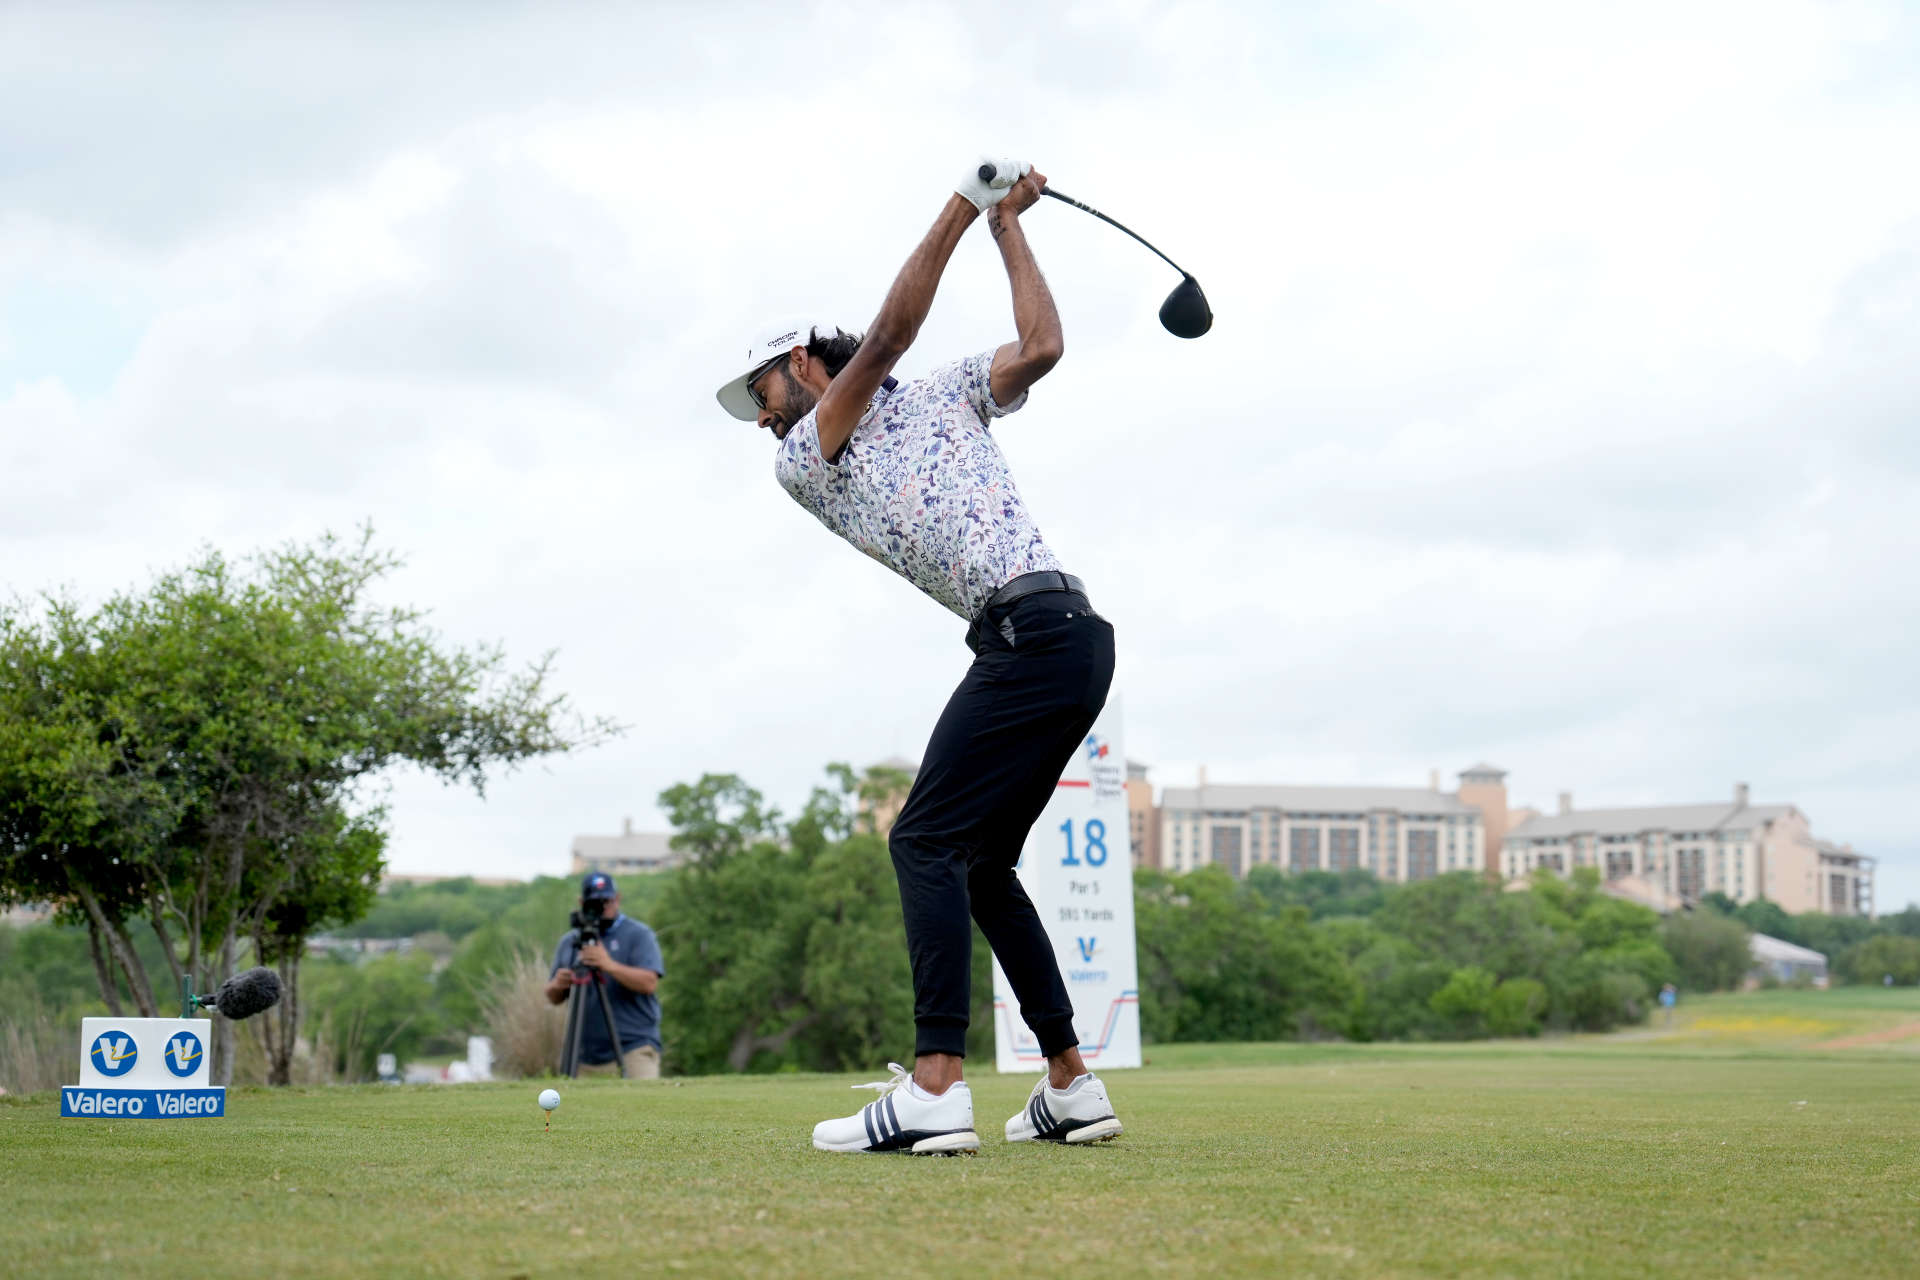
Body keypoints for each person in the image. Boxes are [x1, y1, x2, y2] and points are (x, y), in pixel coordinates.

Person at [713, 157, 1123, 1154]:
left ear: (805, 362)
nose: (762, 416)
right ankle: (1070, 1082)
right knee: (978, 864)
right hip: (1059, 644)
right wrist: (972, 204)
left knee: (922, 841)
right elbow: (890, 336)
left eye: (763, 390)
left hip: (1043, 639)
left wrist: (997, 222)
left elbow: (1043, 345)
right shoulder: (807, 458)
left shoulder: (937, 391)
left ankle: (936, 1083)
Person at [545, 871, 665, 1079]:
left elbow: (649, 983)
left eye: (606, 901)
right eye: (595, 902)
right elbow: (552, 997)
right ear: (582, 903)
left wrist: (608, 964)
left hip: (633, 1049)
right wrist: (558, 984)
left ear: (617, 899)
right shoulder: (571, 942)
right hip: (582, 1055)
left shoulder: (639, 934)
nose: (602, 907)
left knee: (641, 1108)